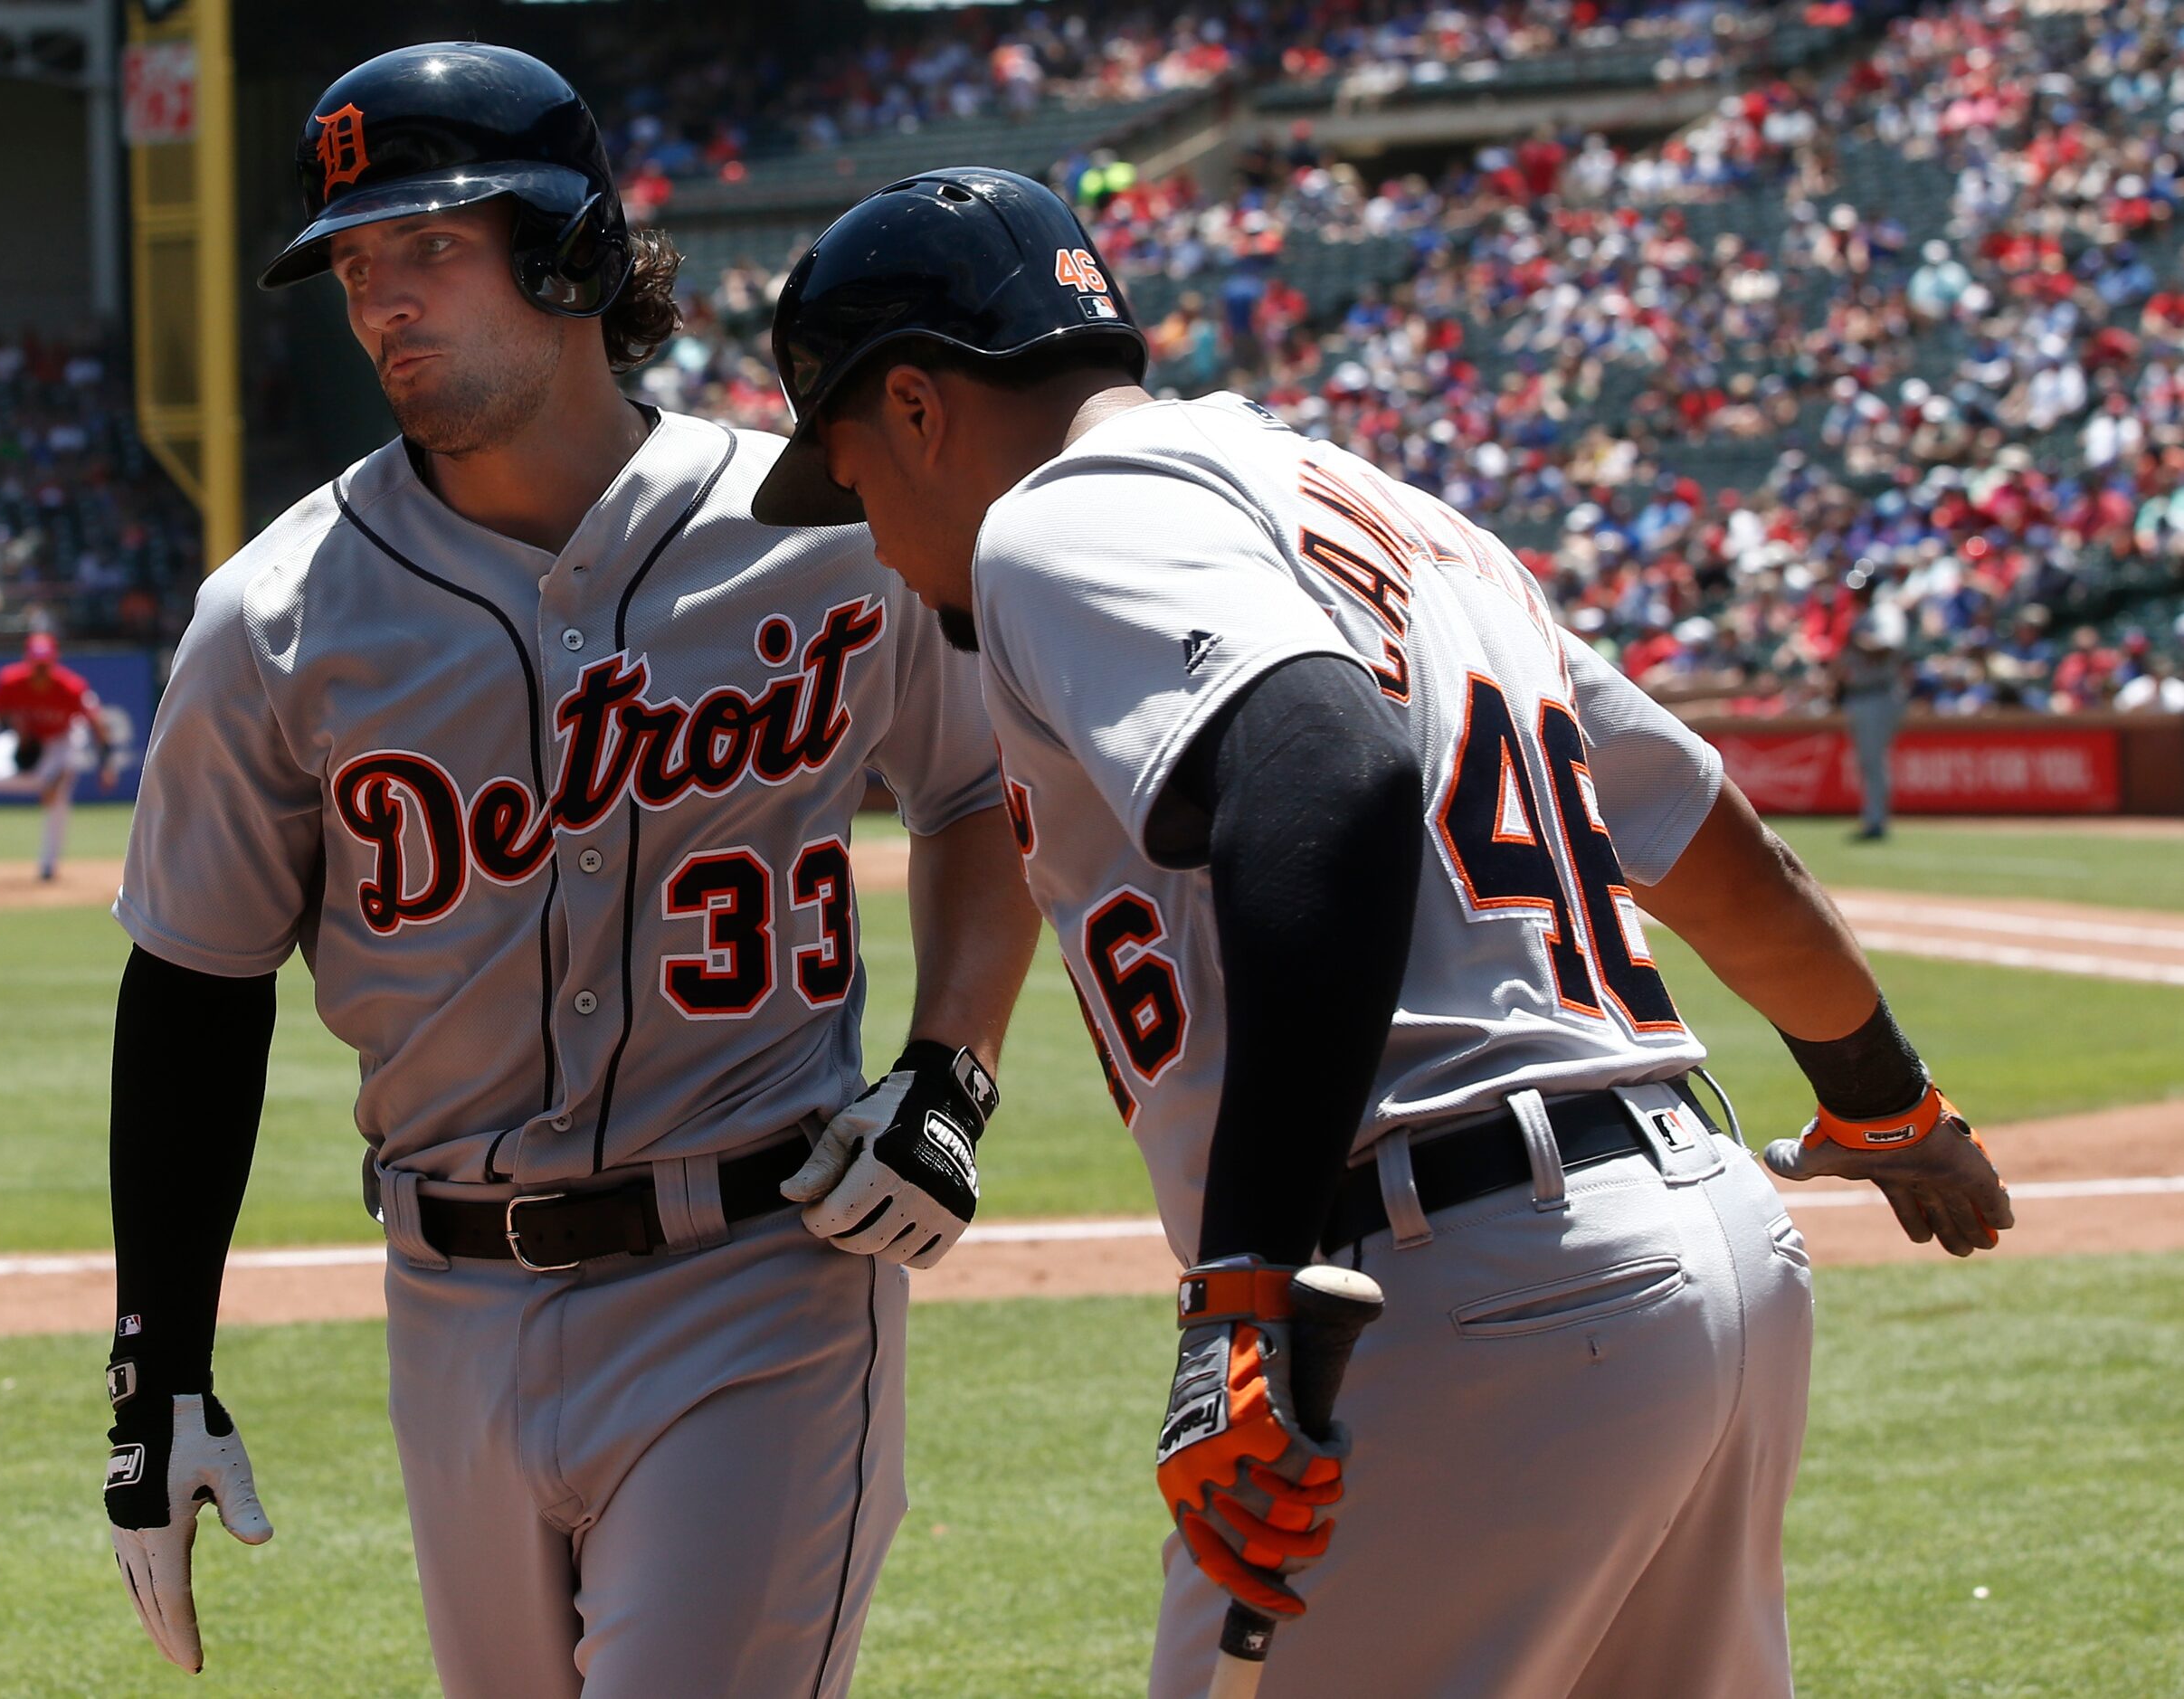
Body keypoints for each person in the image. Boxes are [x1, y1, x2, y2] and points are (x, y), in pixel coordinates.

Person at [755, 167, 2014, 1699]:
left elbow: (1319, 768)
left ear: (914, 408)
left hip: (1454, 1285)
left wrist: (1242, 1282)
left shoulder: (1059, 520)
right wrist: (1873, 1085)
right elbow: (1700, 838)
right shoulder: (1396, 522)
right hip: (1704, 1247)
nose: (871, 538)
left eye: (847, 472)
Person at [98, 48, 1038, 1699]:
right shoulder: (275, 613)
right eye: (353, 266)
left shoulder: (814, 523)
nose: (381, 300)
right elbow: (194, 977)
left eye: (429, 249)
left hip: (760, 1270)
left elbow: (976, 790)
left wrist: (949, 1073)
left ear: (570, 254)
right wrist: (156, 1363)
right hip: (444, 1302)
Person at [0, 631, 115, 880]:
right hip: (29, 737)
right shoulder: (10, 681)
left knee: (60, 793)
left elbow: (98, 724)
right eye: (36, 665)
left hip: (62, 739)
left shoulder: (71, 686)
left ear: (53, 662)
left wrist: (106, 764)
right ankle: (47, 782)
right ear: (28, 662)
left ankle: (48, 866)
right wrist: (16, 729)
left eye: (45, 665)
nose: (40, 671)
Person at [1832, 566, 1909, 840]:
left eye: (1861, 588)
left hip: (1880, 693)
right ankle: (1872, 817)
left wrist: (1858, 641)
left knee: (1874, 760)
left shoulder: (1885, 613)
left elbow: (1887, 647)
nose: (1856, 593)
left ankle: (1877, 821)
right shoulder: (1858, 618)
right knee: (1866, 761)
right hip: (1860, 694)